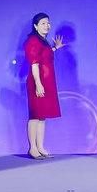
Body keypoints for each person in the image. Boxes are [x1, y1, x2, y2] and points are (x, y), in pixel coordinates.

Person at [24, 13, 65, 160]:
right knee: (35, 115)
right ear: (35, 26)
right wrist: (38, 84)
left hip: (47, 82)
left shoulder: (43, 41)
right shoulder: (33, 41)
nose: (47, 25)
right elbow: (34, 63)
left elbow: (44, 55)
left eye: (48, 23)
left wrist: (55, 48)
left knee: (42, 116)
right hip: (38, 82)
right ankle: (32, 148)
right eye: (43, 23)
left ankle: (40, 147)